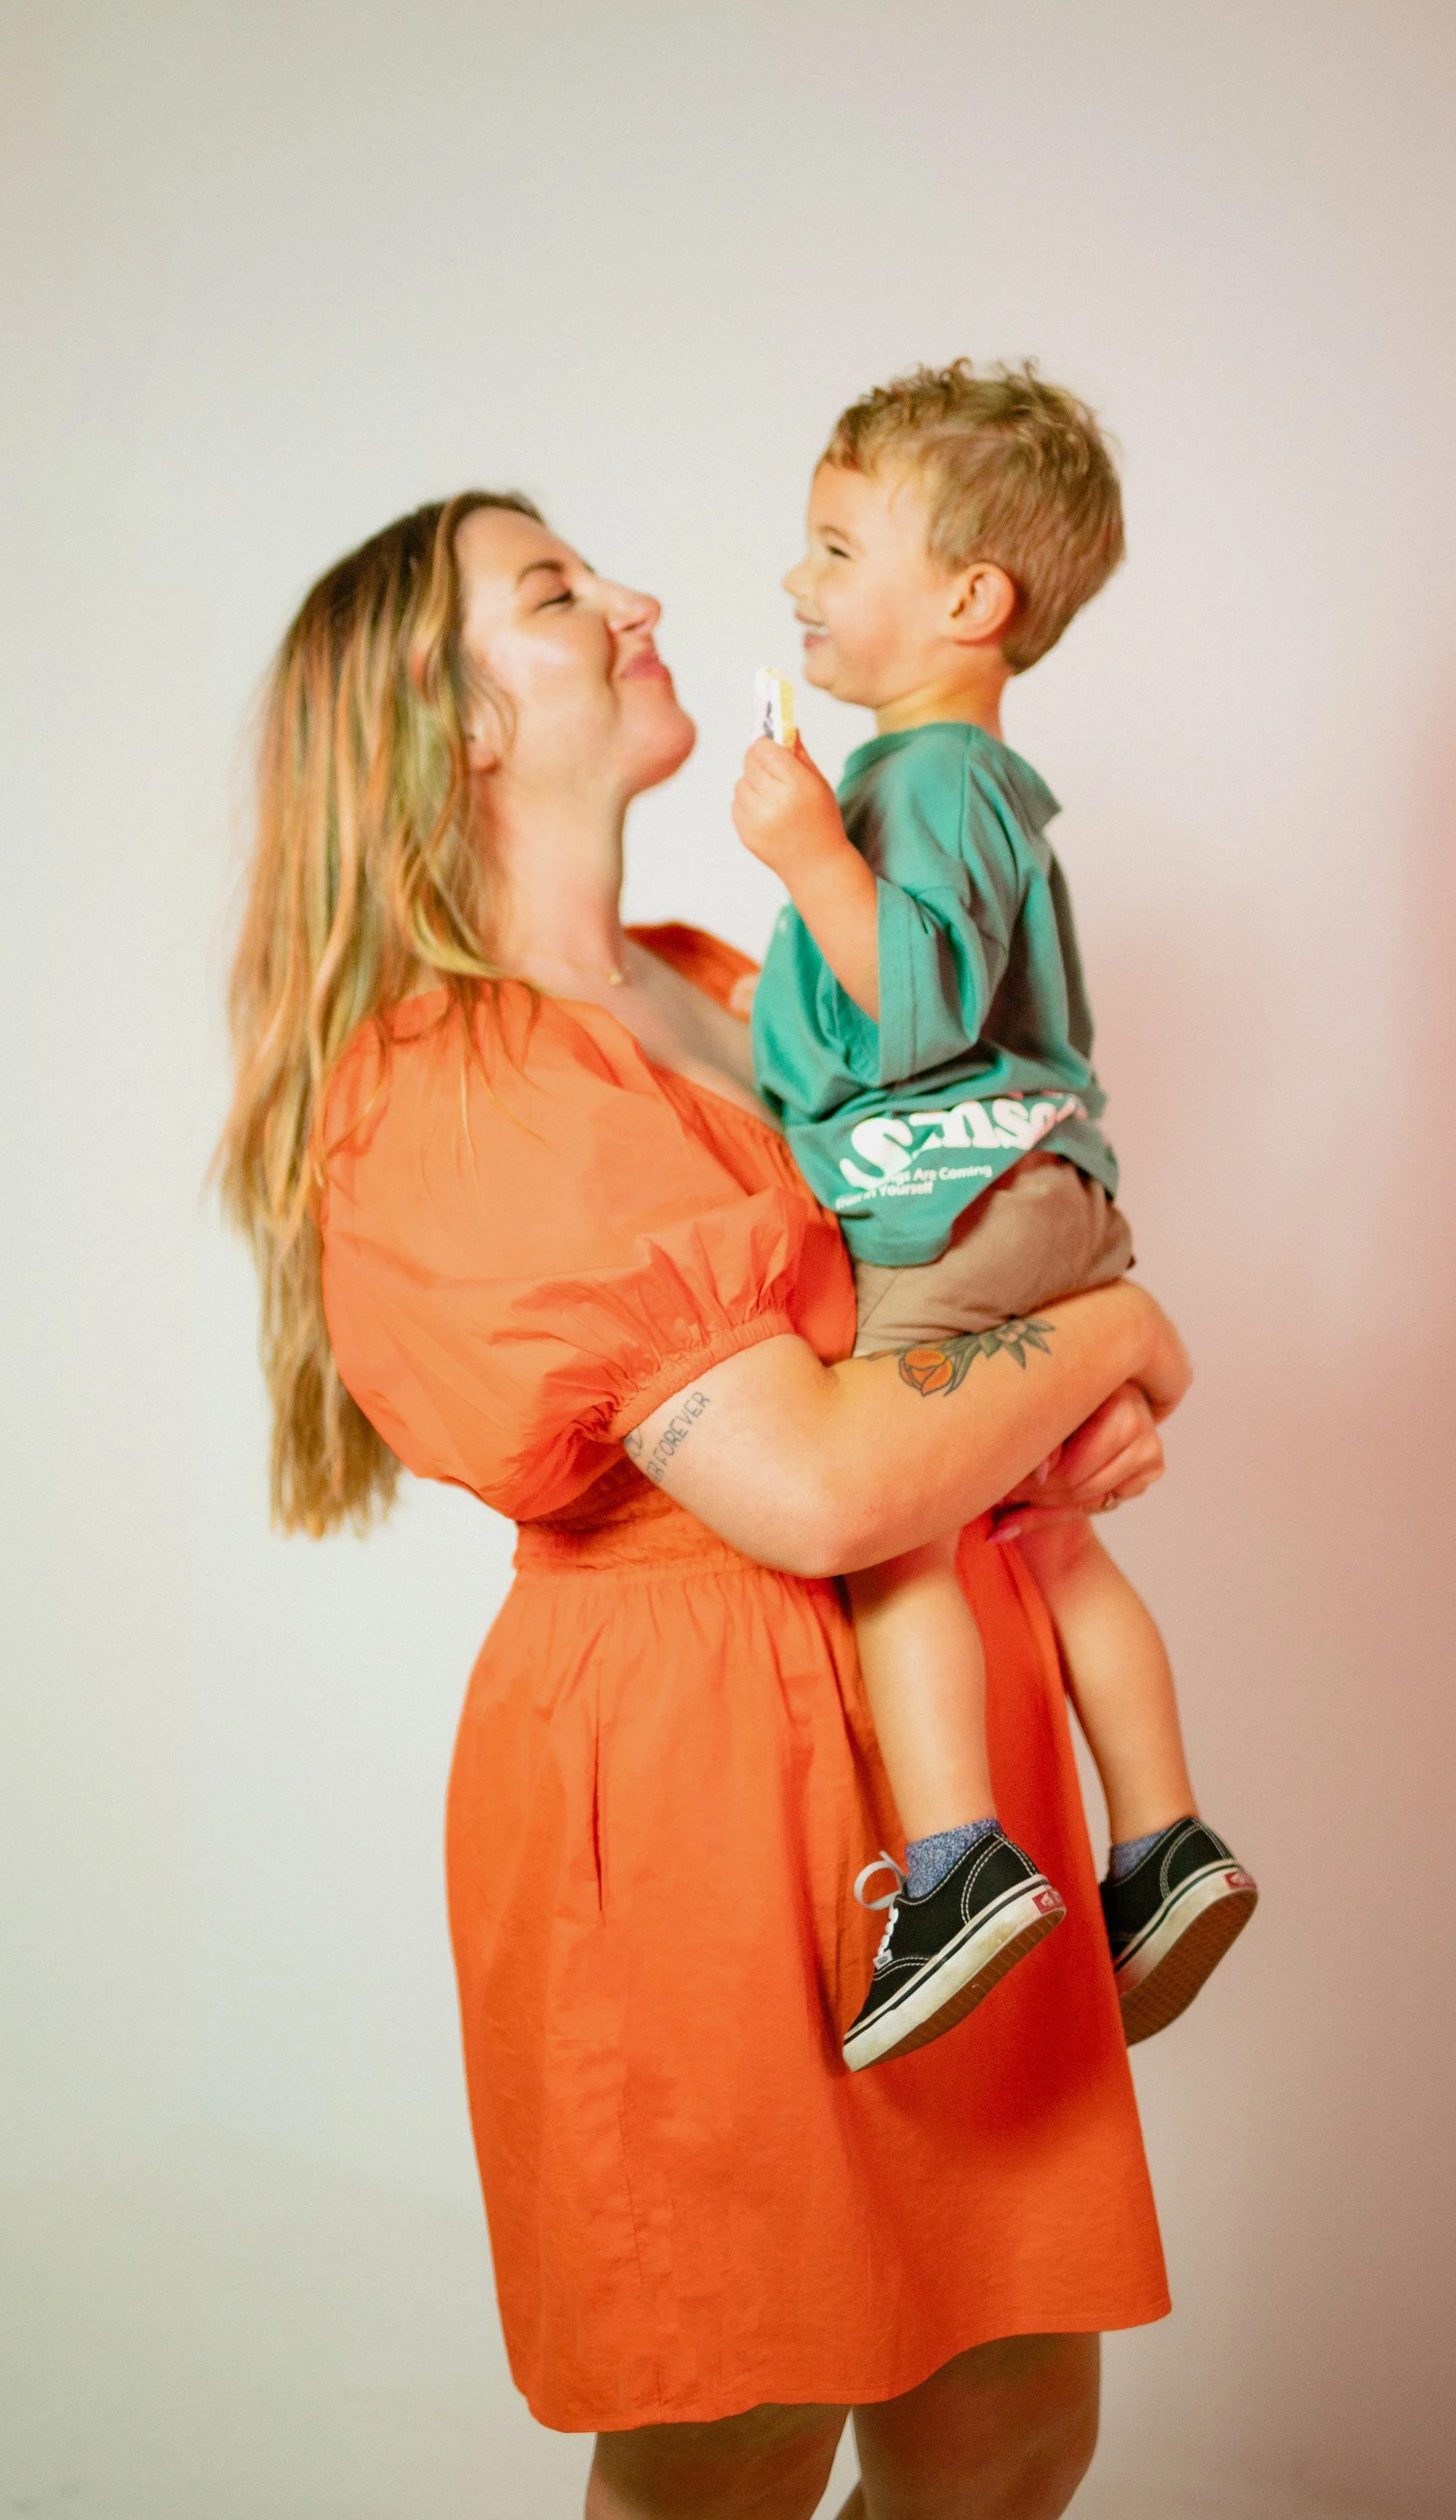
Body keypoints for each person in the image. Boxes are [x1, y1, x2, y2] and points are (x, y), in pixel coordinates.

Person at [222, 487, 1193, 2520]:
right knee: (727, 2438)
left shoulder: (714, 979)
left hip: (932, 1749)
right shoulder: (462, 1077)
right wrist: (1106, 1338)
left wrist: (1034, 1418)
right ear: (457, 721)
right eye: (557, 592)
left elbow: (922, 1333)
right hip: (692, 1793)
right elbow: (822, 1481)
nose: (641, 596)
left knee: (1010, 2423)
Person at [734, 363, 1255, 2074]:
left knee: (894, 1537)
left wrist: (808, 857)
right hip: (1048, 1197)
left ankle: (954, 1867)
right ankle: (1159, 1838)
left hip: (959, 1203)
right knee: (1045, 1534)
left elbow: (917, 1012)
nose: (796, 583)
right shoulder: (951, 787)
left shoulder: (929, 781)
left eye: (832, 547)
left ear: (968, 601)